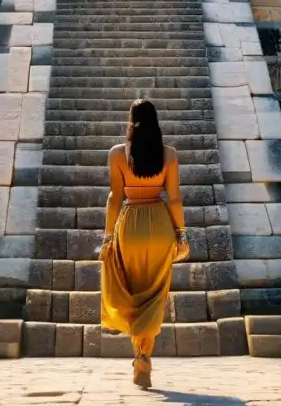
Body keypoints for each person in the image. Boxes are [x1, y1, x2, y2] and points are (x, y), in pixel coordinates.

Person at [99, 98, 190, 389]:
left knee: (135, 293)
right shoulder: (170, 155)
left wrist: (108, 237)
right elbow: (174, 198)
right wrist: (182, 236)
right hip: (161, 227)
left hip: (129, 227)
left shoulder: (116, 154)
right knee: (155, 295)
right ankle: (144, 356)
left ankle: (139, 356)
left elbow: (115, 197)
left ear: (130, 121)